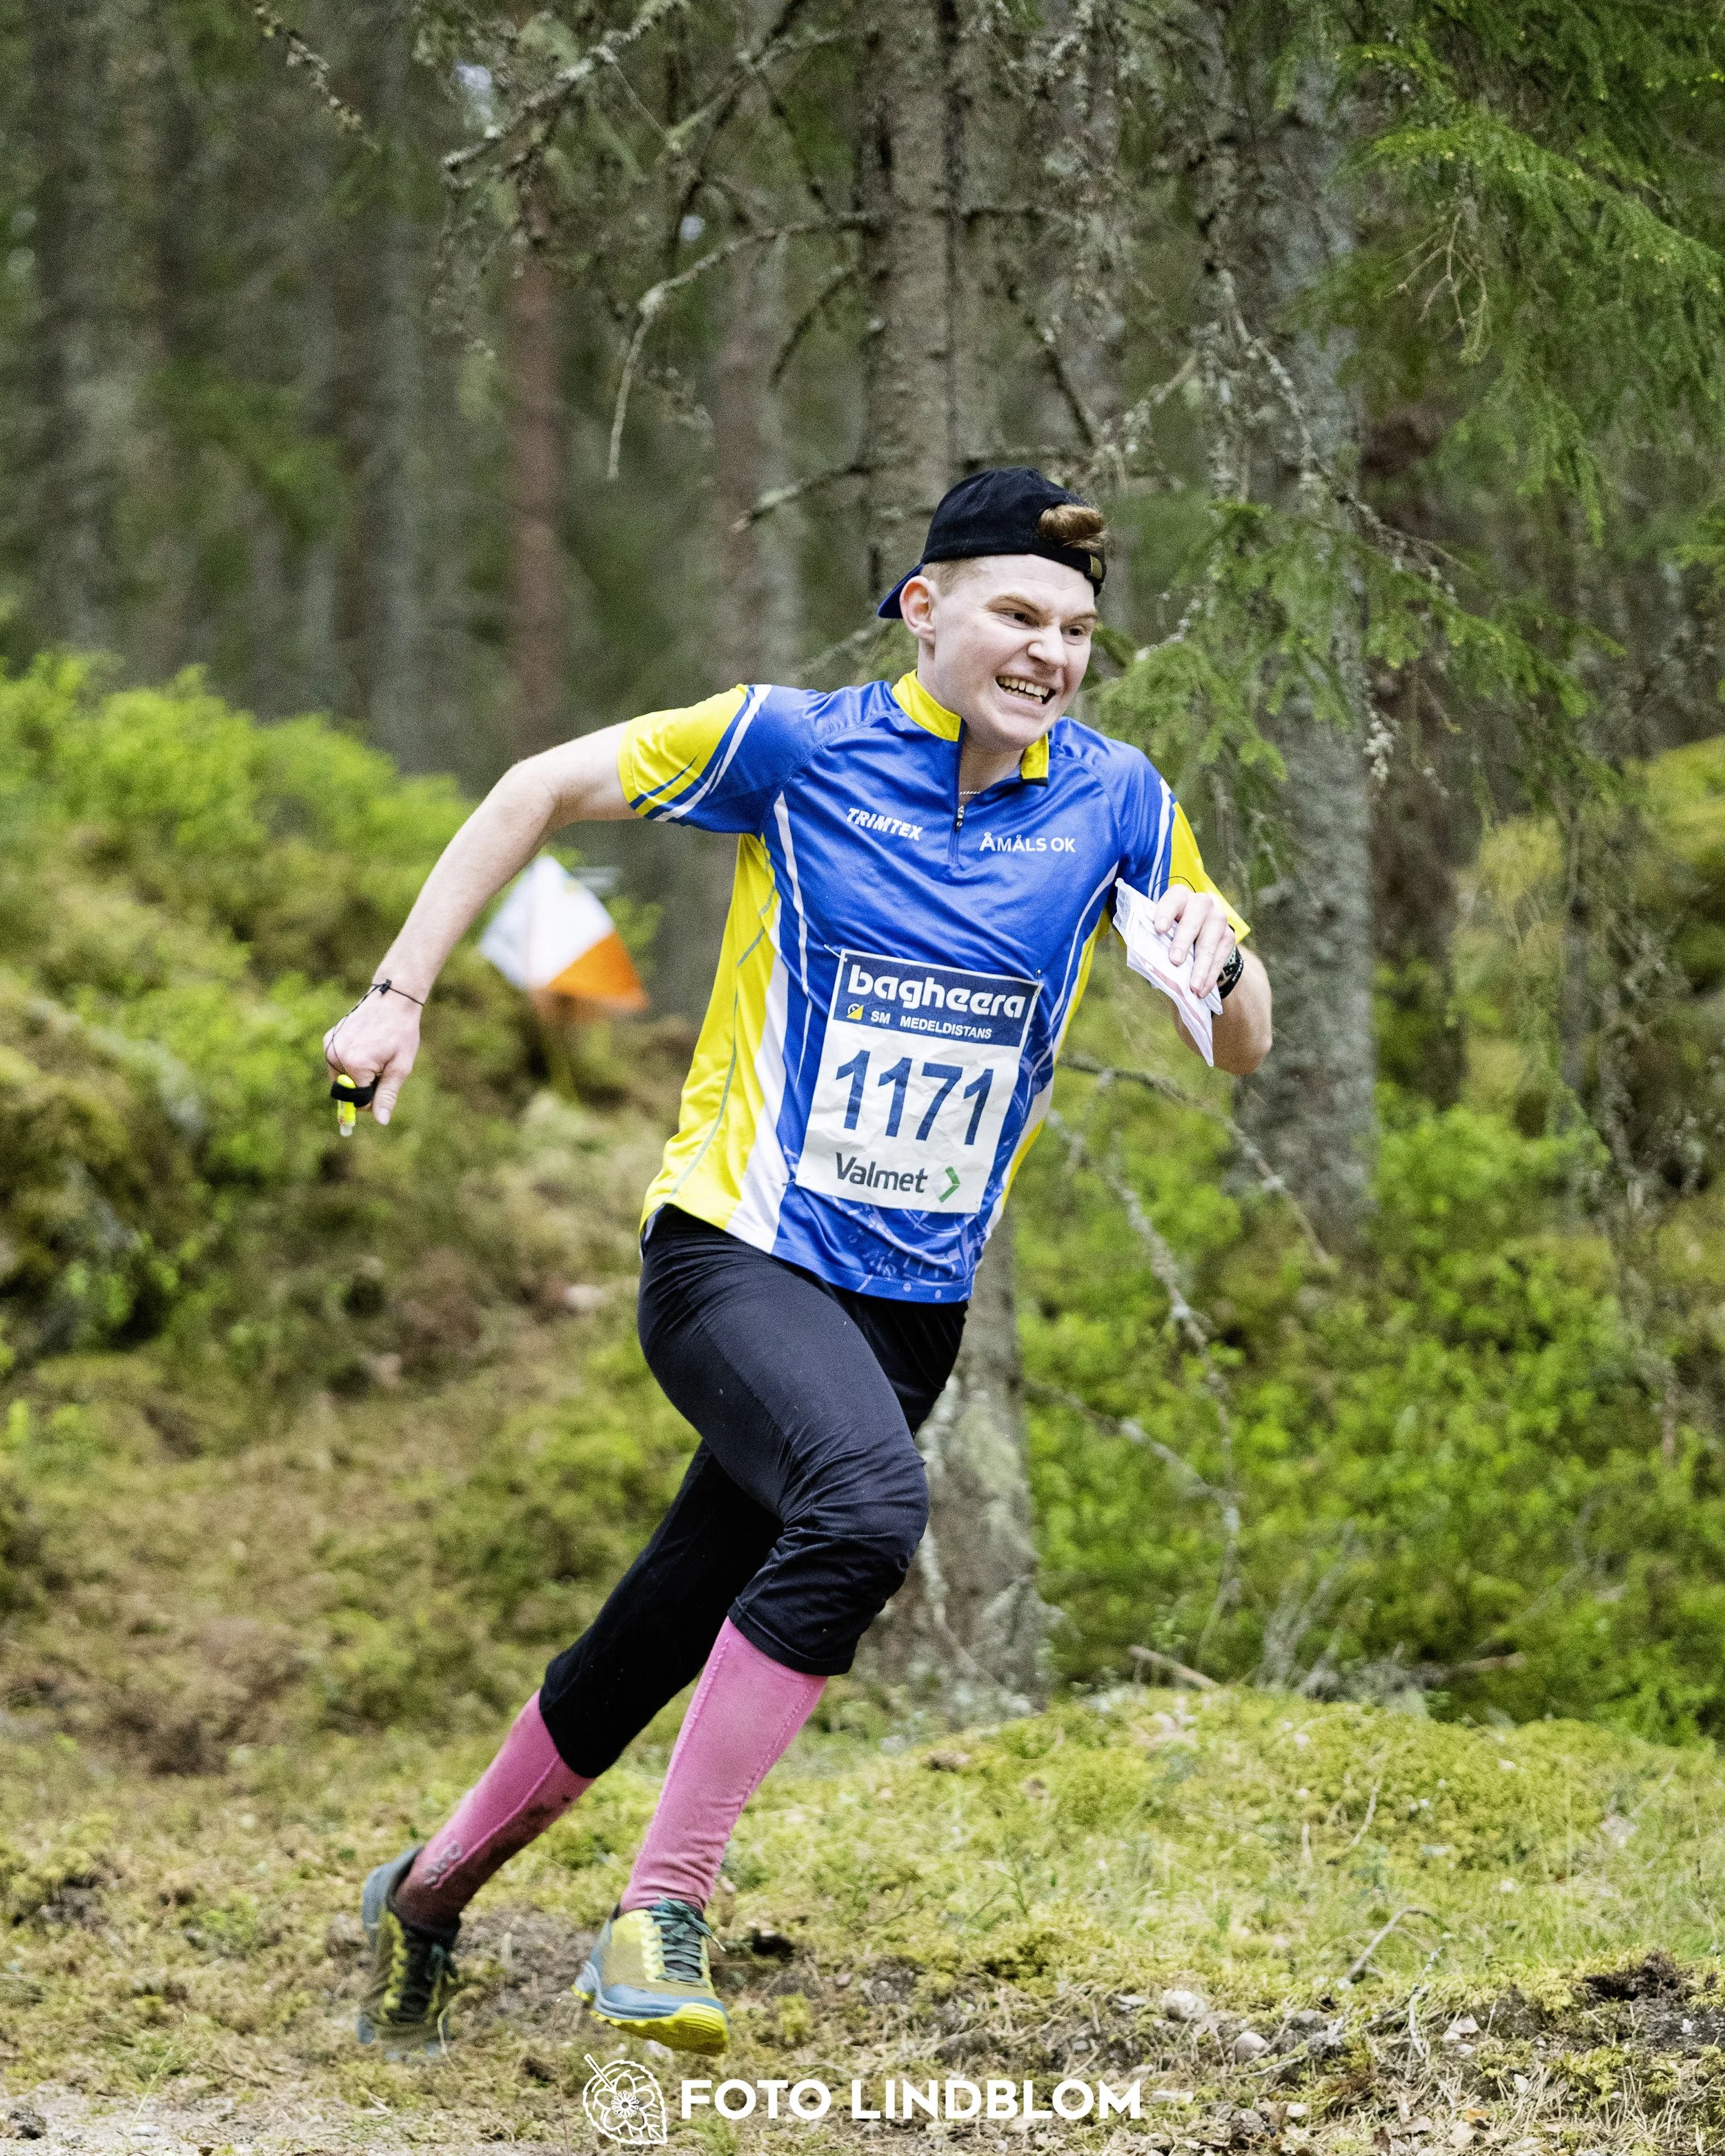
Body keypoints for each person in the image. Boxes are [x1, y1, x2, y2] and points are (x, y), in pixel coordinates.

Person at [328, 466, 1272, 2057]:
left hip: (908, 1308)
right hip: (734, 1250)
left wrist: (1220, 968)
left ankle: (421, 1899)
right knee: (865, 1509)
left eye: (1078, 632)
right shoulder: (795, 745)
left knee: (658, 1622)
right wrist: (396, 994)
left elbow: (1243, 1043)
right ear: (926, 609)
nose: (1049, 653)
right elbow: (532, 787)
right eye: (1016, 615)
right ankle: (662, 1905)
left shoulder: (1113, 798)